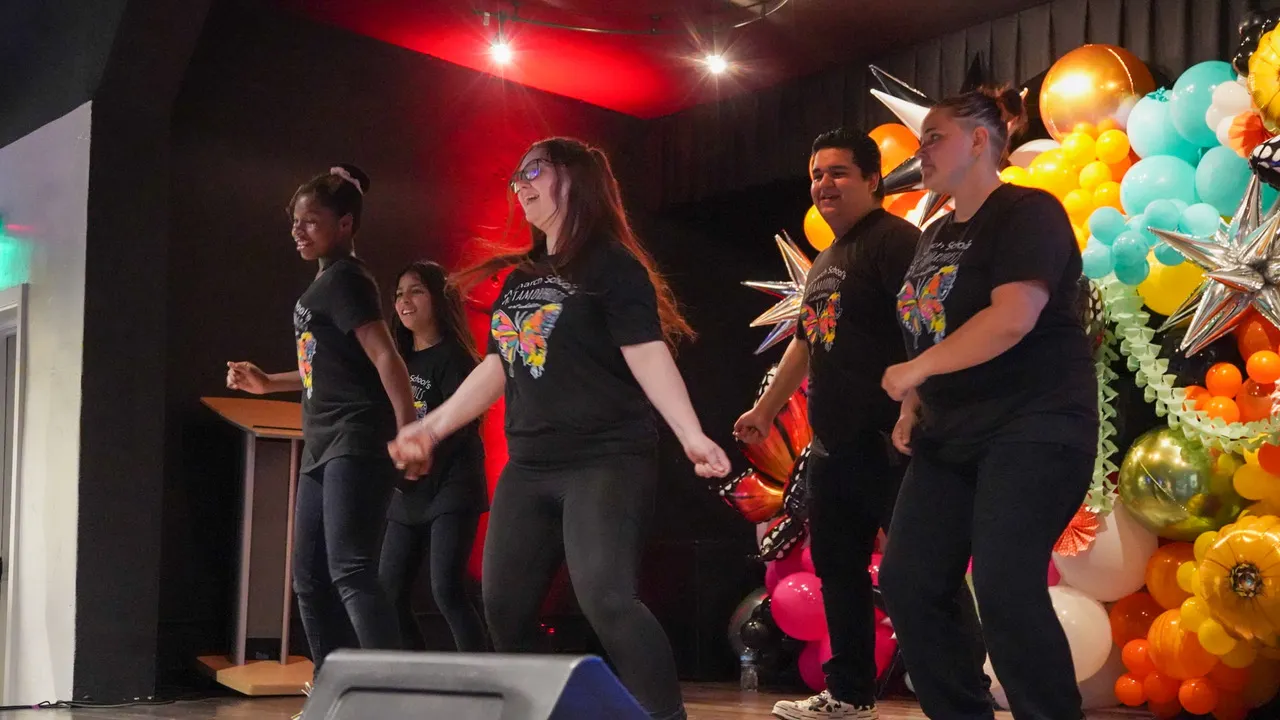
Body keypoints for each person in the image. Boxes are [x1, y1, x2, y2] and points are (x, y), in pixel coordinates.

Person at [387, 137, 731, 720]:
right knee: (504, 606)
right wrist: (432, 426)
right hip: (530, 465)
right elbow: (499, 365)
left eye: (534, 171)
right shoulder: (521, 278)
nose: (519, 184)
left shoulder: (613, 267)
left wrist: (691, 433)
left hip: (605, 458)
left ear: (576, 179)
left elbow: (646, 352)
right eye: (515, 176)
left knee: (607, 598)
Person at [735, 129, 982, 720]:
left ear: (873, 180)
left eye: (839, 173)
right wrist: (766, 410)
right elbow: (805, 340)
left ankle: (965, 688)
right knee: (838, 570)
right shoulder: (825, 261)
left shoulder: (895, 242)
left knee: (928, 571)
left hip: (891, 441)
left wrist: (912, 407)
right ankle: (848, 693)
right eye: (817, 174)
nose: (824, 185)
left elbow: (928, 325)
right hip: (834, 447)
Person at [878, 87, 1098, 720]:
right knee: (909, 582)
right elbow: (930, 325)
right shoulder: (936, 233)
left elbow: (1011, 318)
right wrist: (913, 402)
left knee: (1004, 585)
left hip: (1034, 422)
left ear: (979, 140)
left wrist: (915, 369)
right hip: (950, 432)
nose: (921, 153)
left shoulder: (1028, 211)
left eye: (933, 138)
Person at [226, 164, 416, 688]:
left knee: (351, 570)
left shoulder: (349, 280)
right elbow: (326, 366)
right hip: (322, 442)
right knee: (309, 578)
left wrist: (409, 430)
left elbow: (386, 358)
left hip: (355, 438)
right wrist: (268, 383)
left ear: (346, 225)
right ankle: (335, 688)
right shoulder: (326, 284)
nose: (298, 230)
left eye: (311, 221)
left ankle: (395, 692)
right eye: (295, 221)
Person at [378, 261, 489, 652]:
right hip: (409, 491)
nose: (404, 301)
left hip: (452, 485)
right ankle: (419, 678)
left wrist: (423, 451)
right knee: (388, 592)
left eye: (416, 291)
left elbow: (462, 423)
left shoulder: (455, 357)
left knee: (446, 589)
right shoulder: (397, 361)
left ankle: (484, 682)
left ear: (439, 299)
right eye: (398, 294)